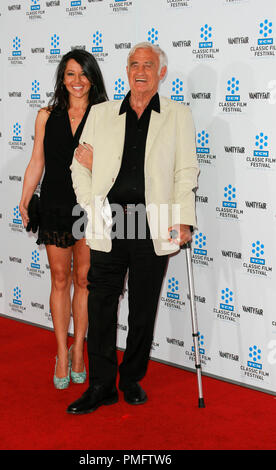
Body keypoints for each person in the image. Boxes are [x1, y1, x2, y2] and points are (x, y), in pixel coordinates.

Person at [67, 42, 199, 413]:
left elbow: (185, 171)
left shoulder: (177, 115)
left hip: (152, 224)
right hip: (108, 221)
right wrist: (91, 207)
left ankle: (131, 378)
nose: (140, 71)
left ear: (161, 72)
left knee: (143, 307)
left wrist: (183, 219)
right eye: (133, 64)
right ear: (126, 70)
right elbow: (80, 166)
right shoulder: (101, 113)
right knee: (102, 303)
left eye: (148, 65)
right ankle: (102, 385)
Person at [19, 50, 108, 389]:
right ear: (62, 78)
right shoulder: (46, 115)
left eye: (83, 74)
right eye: (71, 74)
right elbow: (36, 160)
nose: (77, 81)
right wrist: (26, 194)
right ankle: (60, 350)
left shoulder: (105, 115)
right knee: (60, 278)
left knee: (84, 280)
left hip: (89, 205)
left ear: (92, 78)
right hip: (56, 204)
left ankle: (78, 351)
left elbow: (113, 165)